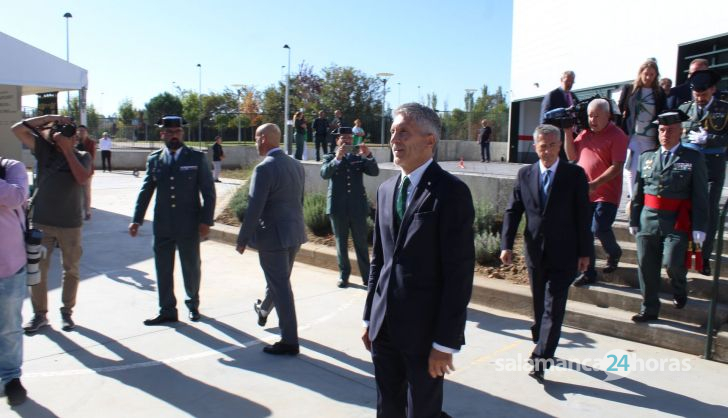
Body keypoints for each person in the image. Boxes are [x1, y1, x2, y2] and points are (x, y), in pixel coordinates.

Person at [362, 103, 474, 417]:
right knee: (388, 407)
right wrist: (370, 317)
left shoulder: (451, 193)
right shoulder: (385, 190)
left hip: (425, 333)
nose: (394, 139)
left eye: (404, 132)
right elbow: (379, 261)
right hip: (384, 328)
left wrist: (445, 342)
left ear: (429, 142)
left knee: (422, 410)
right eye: (393, 132)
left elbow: (459, 275)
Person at [501, 124, 591, 383]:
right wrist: (506, 244)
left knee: (553, 306)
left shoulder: (574, 175)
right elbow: (512, 210)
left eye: (553, 145)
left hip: (565, 253)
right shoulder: (525, 174)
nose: (548, 150)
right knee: (540, 305)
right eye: (543, 145)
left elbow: (583, 215)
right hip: (534, 252)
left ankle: (541, 357)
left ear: (560, 146)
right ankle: (542, 339)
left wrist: (585, 252)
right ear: (535, 146)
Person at [129, 116, 216, 325]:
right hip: (163, 225)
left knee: (191, 267)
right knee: (163, 268)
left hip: (189, 224)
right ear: (162, 135)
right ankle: (167, 309)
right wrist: (137, 219)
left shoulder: (196, 158)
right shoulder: (155, 159)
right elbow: (146, 190)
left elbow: (209, 192)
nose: (174, 135)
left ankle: (193, 304)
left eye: (177, 131)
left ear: (182, 134)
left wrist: (206, 221)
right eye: (169, 132)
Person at [11, 115, 92, 333]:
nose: (67, 136)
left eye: (70, 133)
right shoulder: (44, 151)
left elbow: (82, 178)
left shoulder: (83, 156)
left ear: (75, 137)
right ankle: (40, 315)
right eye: (61, 132)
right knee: (38, 270)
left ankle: (67, 312)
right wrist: (51, 118)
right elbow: (17, 129)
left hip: (70, 223)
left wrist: (67, 150)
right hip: (42, 222)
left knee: (71, 270)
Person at [629, 110, 708, 321]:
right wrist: (634, 219)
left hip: (676, 221)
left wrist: (699, 226)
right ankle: (649, 308)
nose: (665, 134)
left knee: (672, 263)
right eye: (662, 130)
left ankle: (679, 287)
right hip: (648, 219)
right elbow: (638, 192)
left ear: (681, 131)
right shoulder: (646, 157)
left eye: (670, 130)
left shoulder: (692, 158)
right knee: (646, 265)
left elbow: (701, 195)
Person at [236, 123, 307, 355]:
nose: (255, 142)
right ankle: (264, 309)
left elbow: (255, 207)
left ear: (264, 139)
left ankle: (289, 341)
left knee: (281, 287)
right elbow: (300, 200)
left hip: (273, 237)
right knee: (279, 281)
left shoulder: (264, 168)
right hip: (294, 233)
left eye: (256, 137)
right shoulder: (296, 165)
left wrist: (243, 237)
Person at [565, 99, 628, 286]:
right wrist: (568, 132)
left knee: (599, 227)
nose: (592, 120)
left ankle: (614, 252)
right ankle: (588, 273)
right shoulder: (584, 134)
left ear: (608, 116)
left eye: (597, 116)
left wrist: (595, 183)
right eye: (590, 116)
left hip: (607, 193)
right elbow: (571, 157)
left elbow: (617, 167)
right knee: (584, 233)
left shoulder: (618, 135)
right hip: (585, 193)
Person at [679, 69, 728, 276]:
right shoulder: (684, 109)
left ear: (713, 90)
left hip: (712, 167)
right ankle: (684, 254)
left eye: (704, 94)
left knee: (708, 213)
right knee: (686, 211)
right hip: (687, 168)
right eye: (697, 95)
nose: (700, 99)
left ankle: (704, 257)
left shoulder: (724, 109)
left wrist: (710, 139)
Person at [320, 126, 379, 288]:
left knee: (361, 243)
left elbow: (374, 172)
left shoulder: (358, 157)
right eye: (343, 138)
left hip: (357, 208)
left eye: (349, 138)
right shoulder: (329, 157)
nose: (346, 140)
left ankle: (367, 278)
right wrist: (337, 159)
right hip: (338, 208)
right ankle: (344, 276)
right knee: (341, 243)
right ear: (337, 141)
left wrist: (368, 155)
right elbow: (324, 173)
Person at [0, 156, 29, 405]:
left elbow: (16, 198)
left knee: (8, 327)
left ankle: (10, 377)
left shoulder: (11, 168)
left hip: (8, 267)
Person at [618, 59, 667, 200]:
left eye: (652, 74)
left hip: (650, 137)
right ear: (640, 73)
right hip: (633, 136)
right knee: (632, 168)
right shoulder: (630, 89)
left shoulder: (659, 93)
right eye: (646, 74)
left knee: (648, 168)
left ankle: (645, 196)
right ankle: (633, 199)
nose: (648, 77)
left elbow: (663, 113)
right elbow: (620, 110)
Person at [541, 70, 578, 161]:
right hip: (557, 140)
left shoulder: (573, 96)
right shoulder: (552, 95)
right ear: (561, 80)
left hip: (572, 139)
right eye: (567, 81)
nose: (569, 84)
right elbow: (544, 120)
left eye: (572, 82)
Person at [76, 125, 96, 220]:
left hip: (87, 171)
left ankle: (87, 211)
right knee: (77, 192)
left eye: (83, 131)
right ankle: (78, 211)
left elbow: (92, 157)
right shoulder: (74, 141)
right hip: (76, 170)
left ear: (87, 132)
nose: (81, 132)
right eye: (79, 131)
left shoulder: (91, 143)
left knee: (86, 192)